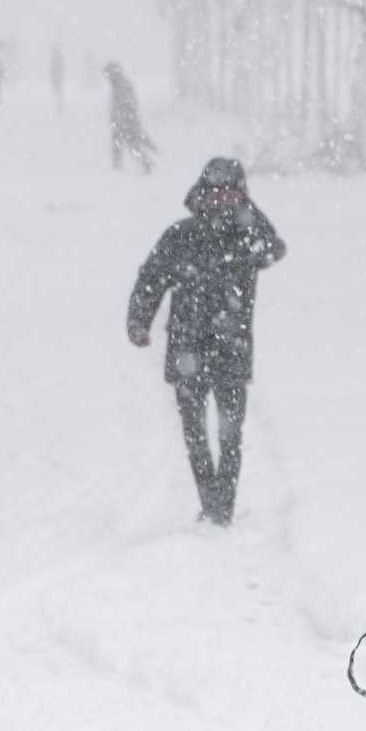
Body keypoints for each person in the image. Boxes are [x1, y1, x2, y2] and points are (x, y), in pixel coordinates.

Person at [127, 157, 286, 524]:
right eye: (214, 191)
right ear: (201, 193)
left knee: (230, 436)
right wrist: (139, 321)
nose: (221, 199)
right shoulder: (180, 236)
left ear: (241, 196)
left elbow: (274, 248)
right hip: (187, 349)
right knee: (195, 435)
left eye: (230, 192)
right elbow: (150, 279)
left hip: (232, 350)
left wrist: (248, 211)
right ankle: (210, 501)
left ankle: (222, 509)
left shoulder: (248, 239)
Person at [104, 60, 156, 173]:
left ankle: (147, 163)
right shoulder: (117, 84)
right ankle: (117, 167)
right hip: (120, 122)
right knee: (120, 144)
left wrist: (126, 119)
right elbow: (117, 104)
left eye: (108, 74)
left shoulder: (122, 85)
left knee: (133, 145)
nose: (107, 78)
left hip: (126, 122)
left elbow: (129, 104)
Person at [48, 43, 68, 116]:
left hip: (57, 78)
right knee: (58, 92)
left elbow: (55, 68)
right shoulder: (57, 58)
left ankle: (59, 105)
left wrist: (55, 75)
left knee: (58, 92)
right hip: (57, 78)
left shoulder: (57, 59)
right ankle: (58, 105)